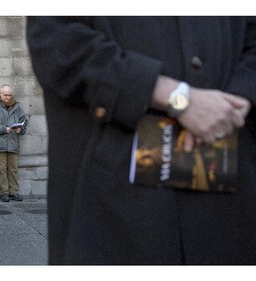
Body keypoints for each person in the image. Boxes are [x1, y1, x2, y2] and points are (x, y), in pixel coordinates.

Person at [26, 17, 256, 264]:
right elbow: (55, 42)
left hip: (227, 204)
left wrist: (232, 103)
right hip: (115, 204)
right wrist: (179, 99)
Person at [0, 84, 28, 202]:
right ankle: (4, 192)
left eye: (10, 95)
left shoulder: (17, 107)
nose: (8, 98)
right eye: (5, 95)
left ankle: (14, 192)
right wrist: (4, 129)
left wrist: (21, 129)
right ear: (0, 94)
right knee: (1, 169)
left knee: (13, 169)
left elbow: (24, 121)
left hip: (13, 142)